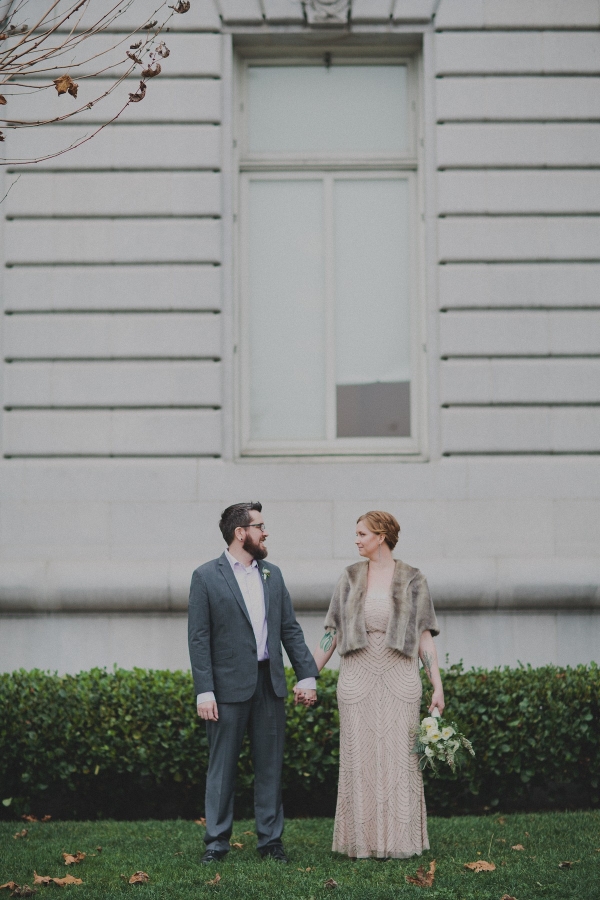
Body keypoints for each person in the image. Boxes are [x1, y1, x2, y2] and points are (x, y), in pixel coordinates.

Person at [188, 501, 318, 865]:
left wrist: (306, 674)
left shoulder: (272, 574)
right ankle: (216, 842)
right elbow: (198, 638)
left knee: (270, 767)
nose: (266, 532)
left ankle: (271, 842)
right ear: (240, 533)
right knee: (222, 768)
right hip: (226, 689)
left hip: (270, 684)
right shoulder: (206, 576)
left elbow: (289, 629)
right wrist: (205, 690)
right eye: (260, 526)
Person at [308, 510, 444, 860]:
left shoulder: (414, 578)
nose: (356, 540)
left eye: (361, 534)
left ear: (381, 536)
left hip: (400, 676)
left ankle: (401, 842)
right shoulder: (350, 577)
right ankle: (361, 843)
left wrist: (437, 687)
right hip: (356, 675)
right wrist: (309, 676)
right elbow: (332, 633)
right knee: (359, 759)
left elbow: (425, 636)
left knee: (401, 760)